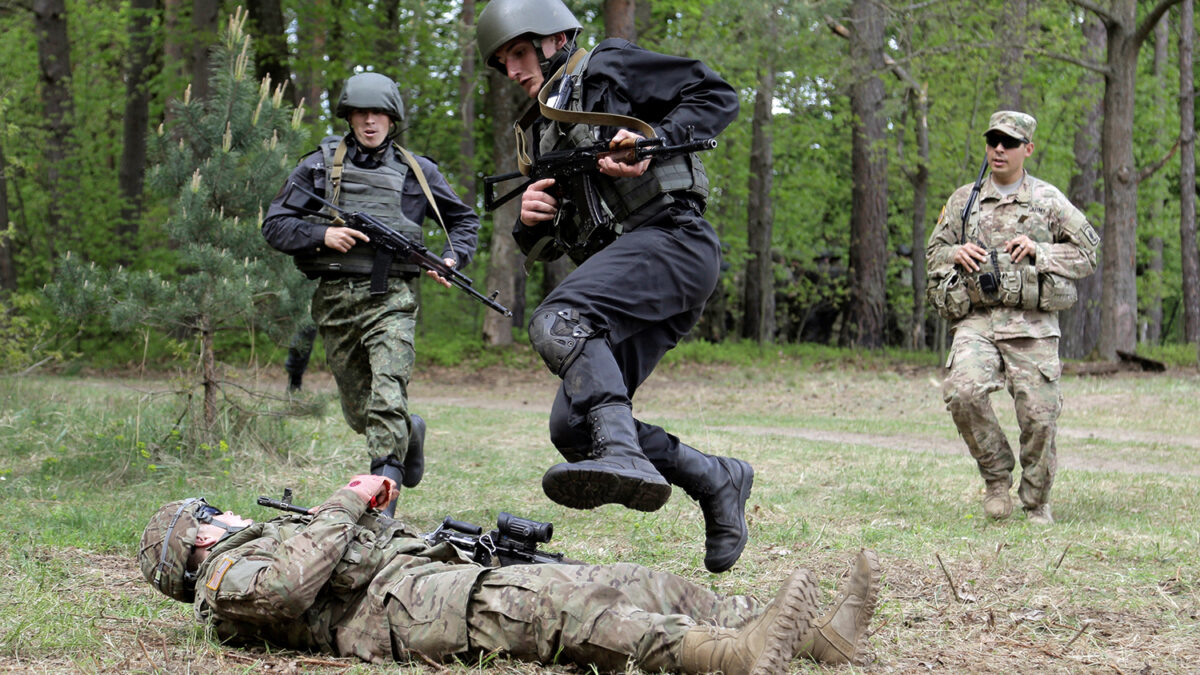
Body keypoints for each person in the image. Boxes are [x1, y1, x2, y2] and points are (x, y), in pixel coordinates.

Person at [474, 0, 752, 574]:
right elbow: (558, 235)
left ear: (555, 39)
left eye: (519, 53)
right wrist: (530, 220)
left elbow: (718, 96)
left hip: (674, 242)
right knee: (573, 430)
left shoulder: (606, 67)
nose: (514, 71)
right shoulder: (545, 128)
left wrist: (649, 142)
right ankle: (718, 479)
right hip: (633, 269)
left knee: (558, 318)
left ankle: (626, 451)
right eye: (503, 63)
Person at [138, 477, 881, 673]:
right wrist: (347, 500)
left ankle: (813, 636)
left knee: (636, 579)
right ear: (197, 535)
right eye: (214, 512)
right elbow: (290, 589)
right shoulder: (224, 578)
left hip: (429, 573)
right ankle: (732, 653)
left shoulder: (251, 549)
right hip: (410, 609)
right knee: (571, 612)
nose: (230, 515)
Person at [262, 72, 478, 513]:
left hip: (392, 299)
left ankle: (383, 506)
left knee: (387, 393)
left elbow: (463, 221)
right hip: (336, 301)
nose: (369, 121)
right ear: (349, 117)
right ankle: (407, 432)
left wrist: (452, 259)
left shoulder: (419, 172)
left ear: (392, 118)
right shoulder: (319, 166)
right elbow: (275, 225)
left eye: (378, 112)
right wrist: (322, 233)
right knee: (361, 411)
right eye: (361, 113)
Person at [926, 111, 1099, 525]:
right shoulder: (962, 201)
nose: (999, 149)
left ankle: (1036, 502)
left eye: (1009, 142)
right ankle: (997, 478)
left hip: (1032, 324)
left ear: (1028, 149)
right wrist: (955, 253)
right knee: (962, 392)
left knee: (1040, 416)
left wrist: (1043, 252)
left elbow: (1089, 255)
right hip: (978, 320)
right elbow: (933, 254)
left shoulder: (1049, 201)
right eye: (993, 141)